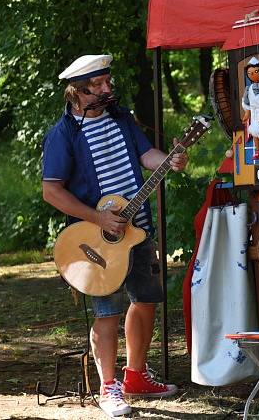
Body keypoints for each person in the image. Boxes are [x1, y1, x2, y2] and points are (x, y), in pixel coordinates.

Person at [41, 54, 187, 418]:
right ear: (77, 92)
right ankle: (109, 387)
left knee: (146, 299)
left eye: (108, 81)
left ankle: (135, 375)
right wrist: (98, 218)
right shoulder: (62, 135)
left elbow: (147, 154)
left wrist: (170, 160)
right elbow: (51, 191)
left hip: (139, 231)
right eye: (99, 85)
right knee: (106, 311)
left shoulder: (122, 118)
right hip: (97, 239)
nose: (108, 89)